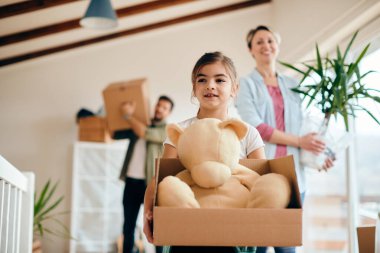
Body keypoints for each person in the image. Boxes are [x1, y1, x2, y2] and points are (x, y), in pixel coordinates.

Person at [143, 52, 266, 253]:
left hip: (233, 233)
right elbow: (161, 179)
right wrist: (147, 213)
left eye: (219, 80)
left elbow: (261, 183)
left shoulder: (248, 134)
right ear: (194, 88)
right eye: (202, 80)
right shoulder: (180, 132)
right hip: (186, 232)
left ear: (235, 89)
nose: (210, 85)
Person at [236, 25, 334, 253]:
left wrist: (321, 154)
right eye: (259, 42)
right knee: (256, 246)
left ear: (277, 47)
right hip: (262, 173)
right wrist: (300, 142)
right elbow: (256, 127)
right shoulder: (246, 84)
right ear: (251, 50)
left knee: (287, 247)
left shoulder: (293, 85)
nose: (265, 46)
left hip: (294, 177)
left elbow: (305, 126)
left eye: (270, 41)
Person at [119, 95, 174, 253]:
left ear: (168, 112)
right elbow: (115, 134)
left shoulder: (167, 130)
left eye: (164, 108)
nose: (159, 109)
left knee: (157, 228)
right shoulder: (139, 125)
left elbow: (145, 133)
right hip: (131, 183)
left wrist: (128, 115)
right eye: (158, 105)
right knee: (128, 227)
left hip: (150, 185)